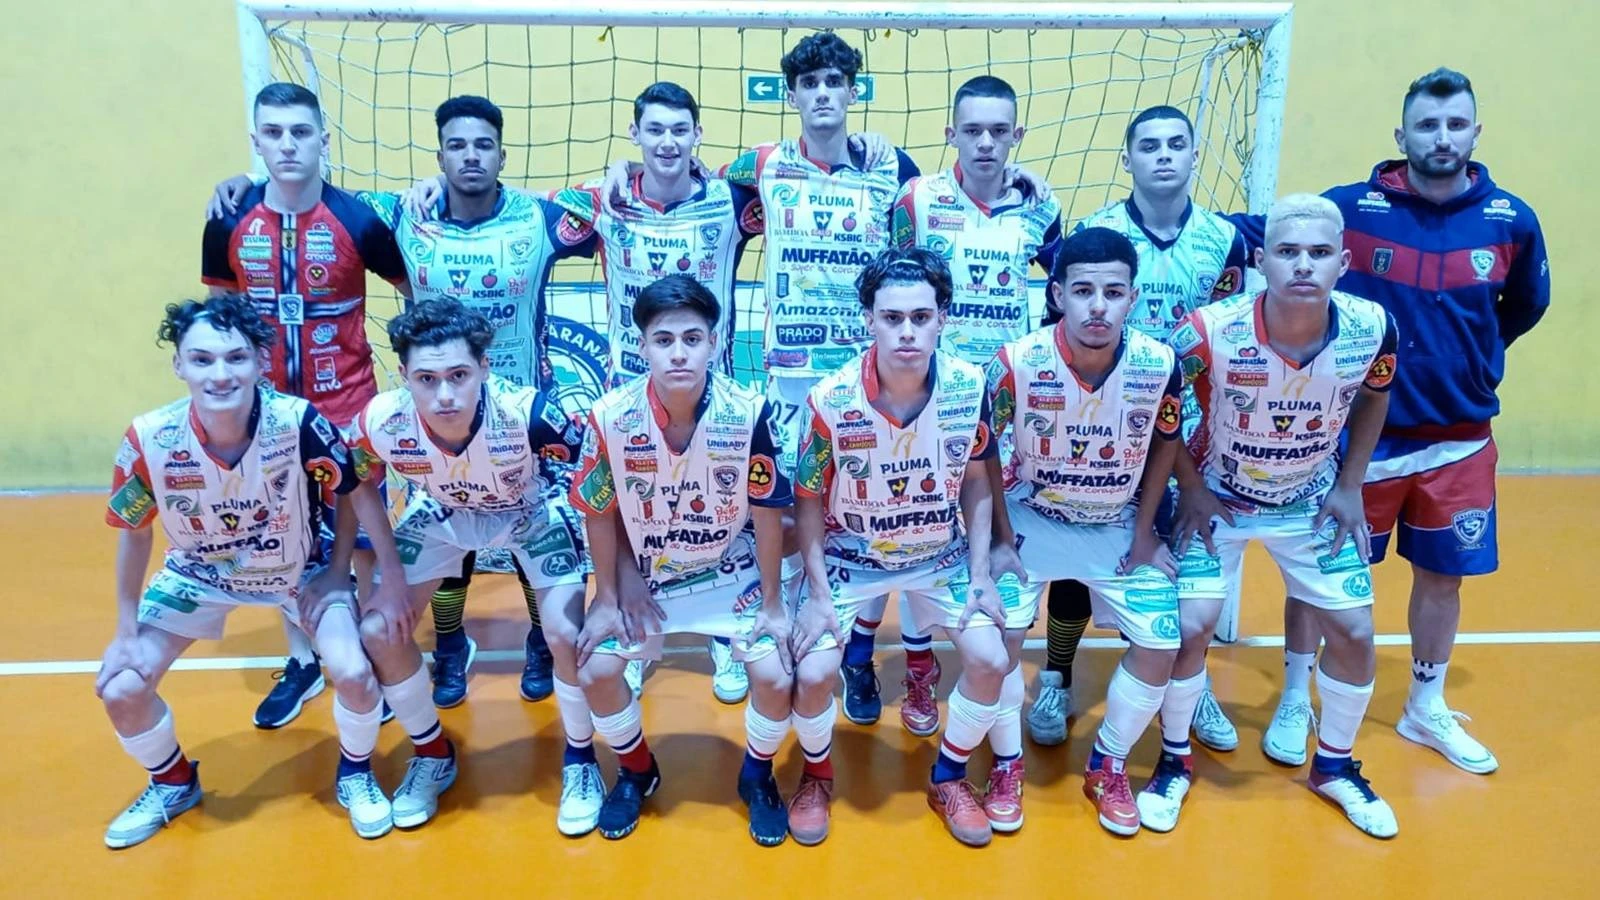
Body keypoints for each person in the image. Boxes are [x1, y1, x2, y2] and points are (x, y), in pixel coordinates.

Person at [213, 94, 602, 708]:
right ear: (439, 156)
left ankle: (538, 639)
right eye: (456, 146)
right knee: (450, 530)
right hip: (435, 408)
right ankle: (449, 642)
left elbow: (614, 212)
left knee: (529, 534)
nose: (470, 156)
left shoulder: (539, 217)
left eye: (483, 145)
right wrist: (246, 182)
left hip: (517, 414)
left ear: (503, 155)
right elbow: (308, 194)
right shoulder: (399, 215)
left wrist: (626, 173)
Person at [1232, 69, 1549, 773]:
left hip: (1459, 440)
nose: (1442, 138)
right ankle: (1296, 695)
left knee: (1442, 578)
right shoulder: (1352, 208)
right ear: (1401, 135)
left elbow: (1524, 308)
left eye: (1456, 124)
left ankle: (1425, 705)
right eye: (1427, 126)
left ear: (1475, 132)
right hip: (1356, 444)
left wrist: (1466, 360)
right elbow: (1268, 235)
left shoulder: (1511, 221)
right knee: (1318, 578)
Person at [97, 294, 404, 847]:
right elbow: (134, 532)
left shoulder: (298, 421)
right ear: (179, 365)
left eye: (236, 358)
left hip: (296, 571)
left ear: (261, 362)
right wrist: (123, 632)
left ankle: (355, 773)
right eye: (202, 359)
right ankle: (172, 783)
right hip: (199, 575)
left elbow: (352, 490)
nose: (220, 374)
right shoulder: (149, 438)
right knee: (121, 688)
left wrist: (340, 572)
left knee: (356, 676)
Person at [1157, 194, 1400, 838]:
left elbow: (1375, 395)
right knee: (1191, 625)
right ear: (1261, 261)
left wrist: (1351, 484)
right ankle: (1173, 761)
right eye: (1288, 252)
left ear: (1344, 261)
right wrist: (1191, 486)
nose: (1303, 265)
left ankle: (1336, 767)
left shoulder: (1374, 326)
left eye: (1319, 253)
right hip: (1217, 498)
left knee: (1355, 632)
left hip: (1310, 499)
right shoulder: (1208, 330)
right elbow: (1160, 408)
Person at [1030, 104, 1249, 750]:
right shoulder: (1093, 232)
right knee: (1076, 556)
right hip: (1099, 425)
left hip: (1190, 431)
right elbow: (1056, 329)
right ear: (1126, 159)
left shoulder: (1223, 239)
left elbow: (1229, 332)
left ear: (1194, 155)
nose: (1163, 156)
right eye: (1148, 145)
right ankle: (1057, 674)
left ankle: (1192, 683)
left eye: (1176, 144)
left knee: (1184, 555)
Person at [789, 247, 1016, 847]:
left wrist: (980, 573)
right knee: (813, 673)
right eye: (892, 318)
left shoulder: (969, 385)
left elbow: (976, 480)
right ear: (869, 319)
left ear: (944, 317)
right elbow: (807, 501)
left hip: (937, 557)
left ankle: (948, 777)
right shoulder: (830, 398)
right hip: (850, 557)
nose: (907, 332)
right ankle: (816, 777)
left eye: (921, 317)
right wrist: (817, 595)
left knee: (991, 660)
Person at [201, 81, 411, 729]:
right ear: (256, 141)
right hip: (266, 414)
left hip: (348, 403)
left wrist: (409, 381)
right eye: (273, 133)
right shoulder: (227, 219)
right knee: (279, 534)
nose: (287, 145)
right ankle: (302, 659)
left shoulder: (359, 221)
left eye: (300, 131)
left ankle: (372, 646)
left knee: (365, 530)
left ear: (323, 138)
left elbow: (414, 292)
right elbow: (218, 318)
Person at [345, 298, 595, 834]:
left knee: (565, 632)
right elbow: (358, 482)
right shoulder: (380, 421)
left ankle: (581, 758)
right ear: (404, 376)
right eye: (426, 379)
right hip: (443, 513)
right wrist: (390, 576)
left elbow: (597, 478)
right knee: (379, 629)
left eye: (458, 375)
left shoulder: (530, 414)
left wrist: (611, 580)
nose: (444, 395)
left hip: (529, 510)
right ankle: (433, 753)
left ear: (484, 367)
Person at [552, 83, 766, 704]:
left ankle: (724, 635)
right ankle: (634, 624)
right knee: (634, 513)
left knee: (723, 509)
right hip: (628, 394)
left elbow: (794, 174)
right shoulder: (604, 201)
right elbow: (519, 208)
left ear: (698, 136)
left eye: (679, 130)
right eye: (655, 130)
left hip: (710, 392)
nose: (667, 142)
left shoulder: (731, 200)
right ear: (635, 135)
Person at [568, 275, 796, 844]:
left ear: (714, 343)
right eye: (663, 340)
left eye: (692, 339)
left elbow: (769, 511)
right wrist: (610, 595)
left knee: (776, 673)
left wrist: (773, 603)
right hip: (649, 576)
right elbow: (599, 510)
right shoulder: (610, 415)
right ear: (641, 345)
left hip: (729, 570)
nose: (678, 353)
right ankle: (636, 770)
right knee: (594, 668)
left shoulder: (750, 410)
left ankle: (757, 774)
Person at [985, 226, 1185, 836]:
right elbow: (983, 452)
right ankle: (1006, 764)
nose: (1098, 306)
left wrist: (1146, 533)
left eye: (1113, 293)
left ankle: (1108, 764)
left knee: (1162, 643)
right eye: (1083, 291)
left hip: (1115, 524)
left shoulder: (1159, 364)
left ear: (1132, 298)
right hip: (1031, 519)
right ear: (1057, 295)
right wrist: (998, 537)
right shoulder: (1016, 363)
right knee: (995, 645)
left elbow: (1166, 444)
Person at [886, 73, 1063, 739]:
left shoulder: (1040, 208)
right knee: (921, 526)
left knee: (990, 530)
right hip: (932, 393)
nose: (985, 142)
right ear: (950, 134)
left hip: (1010, 399)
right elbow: (895, 287)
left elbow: (1062, 296)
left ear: (1017, 135)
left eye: (998, 131)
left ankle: (994, 656)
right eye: (973, 130)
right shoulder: (918, 201)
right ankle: (920, 663)